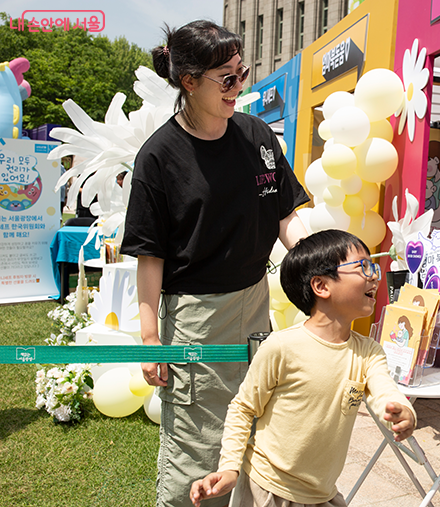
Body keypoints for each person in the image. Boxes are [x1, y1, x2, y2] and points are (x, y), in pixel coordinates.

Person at [120, 20, 309, 507]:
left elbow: (285, 215)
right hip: (197, 320)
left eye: (241, 72)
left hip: (254, 305)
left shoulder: (256, 135)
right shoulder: (159, 157)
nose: (238, 86)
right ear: (188, 80)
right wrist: (148, 340)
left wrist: (319, 262)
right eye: (226, 78)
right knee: (199, 447)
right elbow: (149, 257)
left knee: (252, 433)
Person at [189, 229, 416, 507]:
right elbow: (243, 408)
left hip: (321, 495)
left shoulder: (368, 352)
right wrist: (229, 468)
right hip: (266, 490)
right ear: (321, 286)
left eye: (373, 266)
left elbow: (384, 391)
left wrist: (401, 410)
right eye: (362, 266)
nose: (374, 275)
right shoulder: (281, 347)